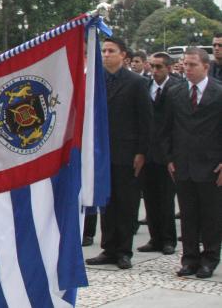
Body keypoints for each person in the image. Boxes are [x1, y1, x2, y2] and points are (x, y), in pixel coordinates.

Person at [86, 37, 152, 270]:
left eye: (111, 51)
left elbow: (145, 120)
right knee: (107, 202)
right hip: (102, 152)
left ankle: (124, 250)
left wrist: (141, 152)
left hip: (127, 152)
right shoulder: (96, 81)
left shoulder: (136, 83)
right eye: (103, 51)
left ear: (123, 55)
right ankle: (109, 248)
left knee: (126, 202)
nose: (106, 54)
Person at [161, 47, 222, 279]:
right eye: (185, 64)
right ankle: (189, 259)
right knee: (188, 215)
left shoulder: (218, 92)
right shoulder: (175, 92)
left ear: (206, 66)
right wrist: (169, 158)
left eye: (193, 64)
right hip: (183, 164)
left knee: (211, 216)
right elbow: (166, 128)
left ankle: (209, 259)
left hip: (211, 165)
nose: (187, 69)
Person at [137, 52, 181, 257]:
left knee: (166, 199)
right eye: (152, 66)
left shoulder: (176, 88)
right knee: (150, 197)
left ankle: (168, 239)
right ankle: (155, 238)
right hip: (147, 151)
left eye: (159, 67)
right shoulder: (145, 86)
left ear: (169, 68)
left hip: (166, 153)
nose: (154, 71)